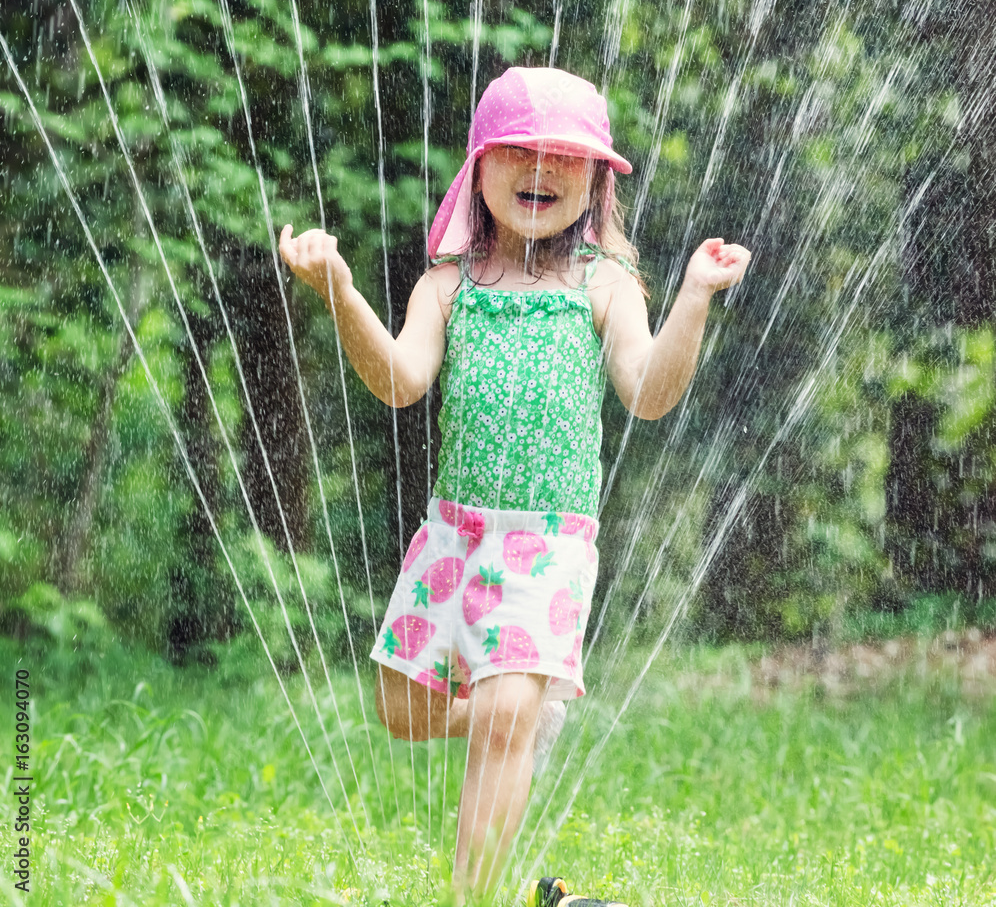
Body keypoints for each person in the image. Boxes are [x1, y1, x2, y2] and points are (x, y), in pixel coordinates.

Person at [279, 66, 750, 905]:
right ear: (481, 167)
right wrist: (342, 292)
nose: (541, 169)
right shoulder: (448, 284)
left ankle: (474, 898)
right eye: (520, 152)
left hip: (546, 547)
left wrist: (695, 297)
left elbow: (647, 393)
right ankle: (527, 717)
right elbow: (398, 380)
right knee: (402, 710)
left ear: (598, 180)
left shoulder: (603, 286)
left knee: (500, 719)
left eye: (566, 157)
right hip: (455, 536)